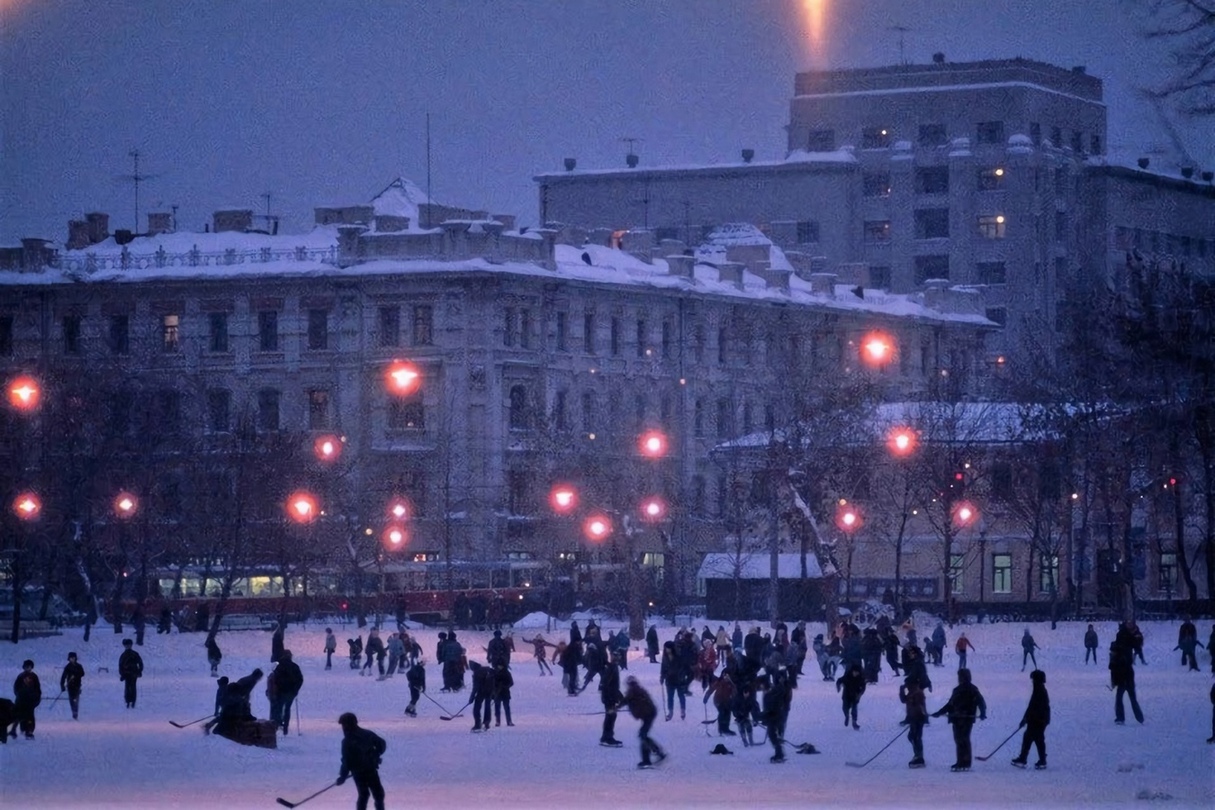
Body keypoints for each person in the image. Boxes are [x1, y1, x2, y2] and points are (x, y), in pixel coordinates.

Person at [931, 667, 986, 772]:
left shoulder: (972, 689)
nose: (960, 679)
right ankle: (960, 761)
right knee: (958, 739)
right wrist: (939, 712)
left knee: (963, 739)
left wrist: (983, 712)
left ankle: (966, 761)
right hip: (956, 718)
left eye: (961, 677)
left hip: (966, 718)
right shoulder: (957, 690)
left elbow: (981, 702)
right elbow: (950, 705)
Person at [336, 712, 387, 810]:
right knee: (371, 794)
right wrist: (343, 776)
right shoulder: (353, 739)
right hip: (361, 772)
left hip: (367, 771)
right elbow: (346, 761)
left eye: (344, 725)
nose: (343, 728)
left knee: (373, 794)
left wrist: (375, 754)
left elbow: (381, 744)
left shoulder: (358, 738)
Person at [622, 675, 665, 769]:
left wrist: (614, 708)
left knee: (643, 735)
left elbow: (625, 701)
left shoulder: (633, 691)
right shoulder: (637, 690)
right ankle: (656, 752)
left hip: (648, 714)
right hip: (648, 713)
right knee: (643, 735)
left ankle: (648, 759)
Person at [1011, 669, 1050, 769]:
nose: (1032, 681)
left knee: (1037, 739)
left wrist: (1028, 719)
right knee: (1030, 738)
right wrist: (1025, 719)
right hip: (1037, 719)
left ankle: (1040, 760)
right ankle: (1025, 758)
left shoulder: (1040, 691)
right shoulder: (1038, 690)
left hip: (1039, 720)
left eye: (1033, 679)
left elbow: (1036, 708)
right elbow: (1031, 707)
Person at [1110, 624, 1144, 724]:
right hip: (1128, 673)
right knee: (1132, 697)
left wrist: (1114, 681)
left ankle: (1120, 718)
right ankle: (1139, 717)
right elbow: (1137, 646)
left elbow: (1112, 666)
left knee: (1120, 697)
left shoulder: (1119, 647)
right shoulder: (1128, 642)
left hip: (1122, 675)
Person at [270, 650, 303, 734]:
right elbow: (300, 679)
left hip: (281, 692)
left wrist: (276, 688)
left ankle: (277, 724)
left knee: (279, 708)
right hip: (291, 692)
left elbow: (275, 679)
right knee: (287, 709)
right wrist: (296, 689)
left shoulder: (279, 666)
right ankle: (285, 727)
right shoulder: (295, 666)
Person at [899, 675, 928, 768]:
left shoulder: (918, 693)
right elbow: (904, 700)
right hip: (913, 719)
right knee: (912, 736)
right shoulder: (911, 692)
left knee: (916, 737)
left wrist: (918, 717)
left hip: (918, 719)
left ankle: (919, 756)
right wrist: (901, 691)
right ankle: (918, 754)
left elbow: (919, 707)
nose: (906, 686)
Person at [13, 659, 42, 739]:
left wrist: (37, 698)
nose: (28, 668)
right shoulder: (20, 676)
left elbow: (37, 688)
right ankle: (21, 729)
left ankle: (29, 731)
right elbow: (16, 687)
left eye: (29, 667)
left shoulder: (34, 677)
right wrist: (19, 695)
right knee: (21, 715)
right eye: (26, 667)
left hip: (30, 701)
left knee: (30, 716)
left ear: (31, 667)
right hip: (21, 700)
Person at [599, 656, 624, 746]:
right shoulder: (612, 668)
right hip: (609, 697)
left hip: (610, 696)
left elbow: (613, 686)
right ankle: (607, 737)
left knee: (611, 716)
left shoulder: (612, 667)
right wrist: (615, 697)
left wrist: (620, 697)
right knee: (610, 717)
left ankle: (606, 736)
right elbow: (609, 685)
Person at [836, 662, 866, 730]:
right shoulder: (847, 677)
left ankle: (854, 722)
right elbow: (839, 681)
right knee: (845, 708)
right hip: (846, 695)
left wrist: (860, 693)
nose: (855, 673)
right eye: (854, 672)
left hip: (855, 696)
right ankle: (846, 716)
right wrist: (838, 687)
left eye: (857, 672)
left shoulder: (861, 679)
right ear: (852, 671)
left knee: (854, 709)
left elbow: (863, 688)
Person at [468, 660, 496, 732]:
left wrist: (471, 698)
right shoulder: (487, 670)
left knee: (476, 708)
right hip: (490, 690)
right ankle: (487, 722)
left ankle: (477, 724)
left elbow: (475, 687)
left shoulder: (477, 673)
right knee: (487, 707)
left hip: (482, 691)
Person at [118, 638, 144, 709]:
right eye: (126, 645)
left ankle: (133, 701)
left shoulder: (134, 654)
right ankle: (128, 701)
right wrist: (122, 673)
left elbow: (140, 663)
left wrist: (139, 671)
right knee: (127, 687)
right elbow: (120, 665)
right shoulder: (123, 655)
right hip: (126, 673)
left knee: (133, 687)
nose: (128, 646)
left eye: (129, 645)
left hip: (133, 673)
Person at [60, 652, 85, 720]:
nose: (72, 659)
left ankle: (75, 711)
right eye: (71, 658)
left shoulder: (79, 666)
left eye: (73, 658)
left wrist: (76, 675)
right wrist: (62, 686)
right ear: (69, 659)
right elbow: (63, 677)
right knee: (71, 699)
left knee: (76, 699)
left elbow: (82, 673)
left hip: (77, 685)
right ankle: (73, 711)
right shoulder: (68, 667)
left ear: (75, 658)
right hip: (70, 686)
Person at [492, 663, 514, 727]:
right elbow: (492, 682)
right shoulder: (495, 673)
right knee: (497, 708)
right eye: (499, 665)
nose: (500, 667)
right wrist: (495, 689)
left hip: (505, 692)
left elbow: (511, 682)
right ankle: (497, 721)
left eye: (501, 665)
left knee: (506, 708)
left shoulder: (507, 673)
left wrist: (505, 686)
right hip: (497, 693)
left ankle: (509, 721)